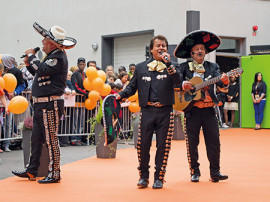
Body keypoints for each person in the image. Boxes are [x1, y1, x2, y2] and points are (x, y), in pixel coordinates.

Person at [12, 22, 76, 183]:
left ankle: (55, 172)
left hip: (50, 104)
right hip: (41, 104)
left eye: (44, 41)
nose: (42, 43)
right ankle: (32, 170)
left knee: (50, 139)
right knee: (36, 138)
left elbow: (42, 70)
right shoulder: (52, 57)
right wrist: (28, 63)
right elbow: (40, 74)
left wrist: (32, 56)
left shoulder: (59, 57)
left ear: (51, 43)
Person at [116, 35, 182, 189]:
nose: (161, 48)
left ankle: (159, 177)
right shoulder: (140, 67)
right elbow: (132, 87)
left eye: (163, 46)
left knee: (163, 146)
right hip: (147, 111)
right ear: (151, 49)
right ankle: (143, 176)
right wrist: (121, 95)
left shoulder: (173, 66)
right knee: (142, 145)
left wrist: (168, 64)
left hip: (166, 111)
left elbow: (178, 83)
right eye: (158, 46)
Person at [174, 30, 229, 183]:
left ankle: (215, 172)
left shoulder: (213, 67)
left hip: (209, 110)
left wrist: (225, 80)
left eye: (202, 49)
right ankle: (194, 171)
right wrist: (184, 86)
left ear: (206, 53)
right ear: (191, 53)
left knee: (214, 142)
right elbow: (176, 83)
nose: (200, 51)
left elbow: (220, 83)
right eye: (197, 49)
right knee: (192, 143)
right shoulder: (184, 68)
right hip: (191, 111)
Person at [1, 54, 26, 152]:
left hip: (10, 101)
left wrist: (14, 92)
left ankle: (6, 144)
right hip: (3, 98)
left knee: (8, 123)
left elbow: (22, 84)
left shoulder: (16, 71)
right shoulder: (1, 72)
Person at [71, 57, 88, 146]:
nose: (81, 65)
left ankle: (79, 138)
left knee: (81, 121)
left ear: (85, 65)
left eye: (83, 64)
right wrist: (85, 93)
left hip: (84, 101)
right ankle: (74, 138)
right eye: (80, 64)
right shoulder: (75, 74)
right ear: (78, 65)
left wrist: (88, 92)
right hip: (77, 101)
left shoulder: (85, 74)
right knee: (75, 120)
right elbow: (76, 87)